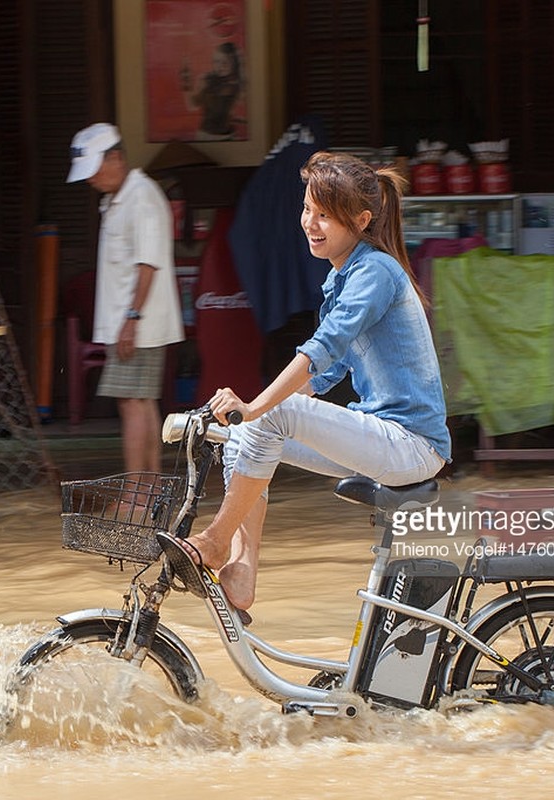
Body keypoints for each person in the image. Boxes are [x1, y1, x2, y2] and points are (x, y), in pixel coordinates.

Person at [161, 151, 451, 613]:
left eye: (325, 216)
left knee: (267, 418)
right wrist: (241, 417)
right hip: (376, 436)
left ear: (359, 220)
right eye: (307, 210)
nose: (311, 224)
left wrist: (257, 407)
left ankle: (214, 542)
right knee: (242, 437)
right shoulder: (343, 275)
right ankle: (240, 569)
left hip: (412, 445)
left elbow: (323, 350)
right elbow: (326, 376)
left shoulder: (375, 271)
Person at [67, 122, 185, 475]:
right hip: (132, 322)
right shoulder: (117, 199)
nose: (90, 180)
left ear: (115, 158)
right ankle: (147, 489)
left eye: (94, 170)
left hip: (138, 322)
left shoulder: (141, 196)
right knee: (140, 402)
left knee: (132, 404)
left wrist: (132, 318)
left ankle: (137, 493)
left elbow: (147, 263)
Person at [181, 42, 243, 140]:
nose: (220, 66)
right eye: (216, 61)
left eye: (225, 62)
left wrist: (205, 85)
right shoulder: (209, 80)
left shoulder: (234, 85)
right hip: (205, 134)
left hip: (227, 136)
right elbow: (192, 105)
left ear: (234, 64)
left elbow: (221, 102)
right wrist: (186, 81)